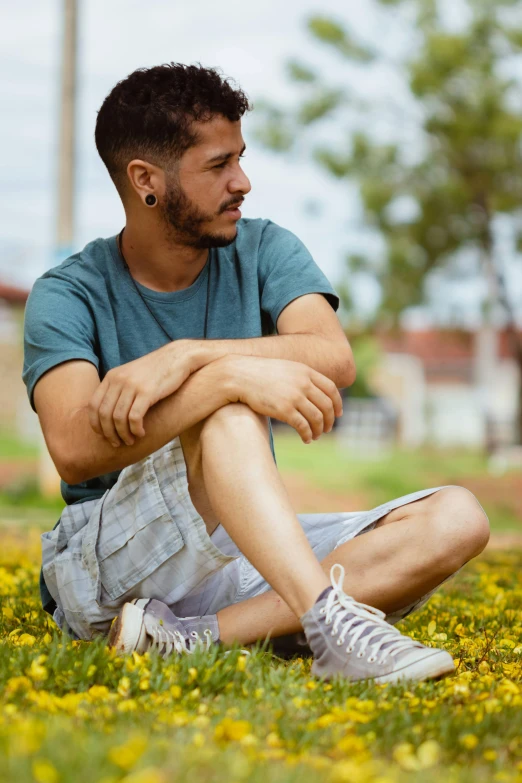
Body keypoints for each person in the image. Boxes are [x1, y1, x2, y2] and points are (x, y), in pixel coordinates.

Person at [23, 63, 490, 684]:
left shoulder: (266, 247)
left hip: (238, 553)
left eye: (240, 158)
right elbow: (75, 449)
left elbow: (331, 355)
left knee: (457, 516)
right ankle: (327, 622)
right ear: (146, 181)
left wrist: (188, 356)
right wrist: (223, 383)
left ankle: (195, 638)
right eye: (218, 166)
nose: (242, 182)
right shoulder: (68, 293)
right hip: (106, 568)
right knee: (229, 410)